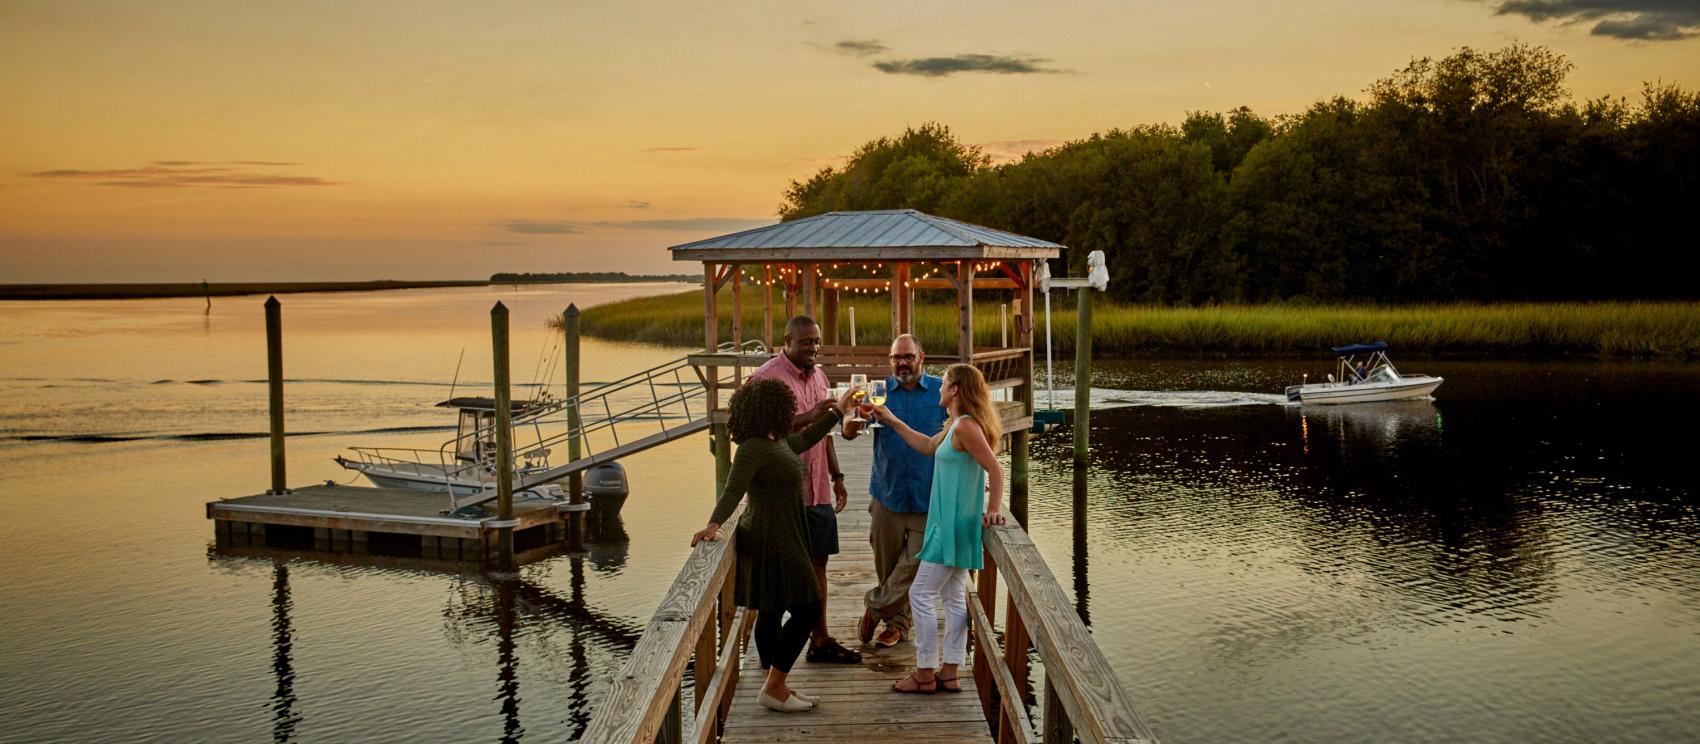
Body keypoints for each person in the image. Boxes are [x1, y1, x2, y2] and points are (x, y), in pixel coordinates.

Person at [691, 379, 859, 713]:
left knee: (771, 609)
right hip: (771, 538)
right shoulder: (752, 448)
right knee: (808, 609)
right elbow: (732, 490)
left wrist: (839, 410)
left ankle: (773, 681)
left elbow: (809, 436)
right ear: (771, 409)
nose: (791, 411)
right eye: (784, 406)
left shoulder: (778, 441)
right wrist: (713, 524)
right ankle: (775, 685)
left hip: (786, 533)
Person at [869, 363, 1007, 695]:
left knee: (920, 593)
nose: (940, 387)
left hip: (952, 524)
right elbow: (928, 447)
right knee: (953, 596)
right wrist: (893, 421)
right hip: (948, 522)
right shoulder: (955, 425)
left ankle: (925, 672)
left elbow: (995, 469)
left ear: (956, 389)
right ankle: (950, 672)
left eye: (945, 383)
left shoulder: (967, 427)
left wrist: (992, 510)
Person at [748, 316, 862, 664]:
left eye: (816, 341)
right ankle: (772, 665)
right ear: (787, 340)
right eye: (805, 342)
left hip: (818, 490)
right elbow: (756, 431)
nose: (813, 348)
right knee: (781, 579)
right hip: (785, 496)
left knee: (819, 565)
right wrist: (810, 414)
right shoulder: (767, 377)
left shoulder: (820, 376)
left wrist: (837, 476)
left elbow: (824, 433)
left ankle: (820, 640)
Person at [846, 334, 943, 649]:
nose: (902, 363)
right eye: (896, 357)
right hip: (887, 492)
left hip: (928, 494)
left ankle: (875, 607)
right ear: (890, 360)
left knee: (914, 564)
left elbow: (966, 429)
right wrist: (850, 419)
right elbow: (851, 433)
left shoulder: (943, 391)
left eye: (908, 356)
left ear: (921, 356)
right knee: (887, 566)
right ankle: (897, 625)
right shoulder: (878, 392)